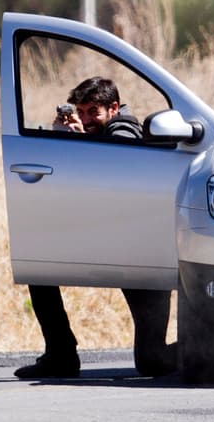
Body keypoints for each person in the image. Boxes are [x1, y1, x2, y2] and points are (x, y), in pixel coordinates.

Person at [15, 76, 179, 379]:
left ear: (113, 108)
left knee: (153, 360)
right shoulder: (99, 132)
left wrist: (79, 140)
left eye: (94, 112)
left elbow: (116, 165)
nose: (88, 119)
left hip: (139, 254)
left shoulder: (124, 129)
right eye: (82, 112)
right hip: (108, 243)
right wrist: (64, 139)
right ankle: (61, 353)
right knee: (38, 265)